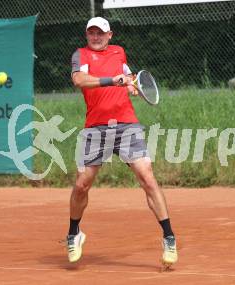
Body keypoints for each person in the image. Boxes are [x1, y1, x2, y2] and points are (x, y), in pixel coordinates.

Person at [67, 16, 178, 267]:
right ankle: (74, 232)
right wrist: (111, 80)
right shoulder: (80, 55)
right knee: (82, 184)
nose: (95, 37)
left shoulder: (119, 52)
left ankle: (169, 237)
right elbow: (79, 80)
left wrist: (132, 85)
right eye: (91, 33)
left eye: (100, 33)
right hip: (95, 128)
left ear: (110, 35)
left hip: (126, 124)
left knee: (147, 177)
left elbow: (128, 76)